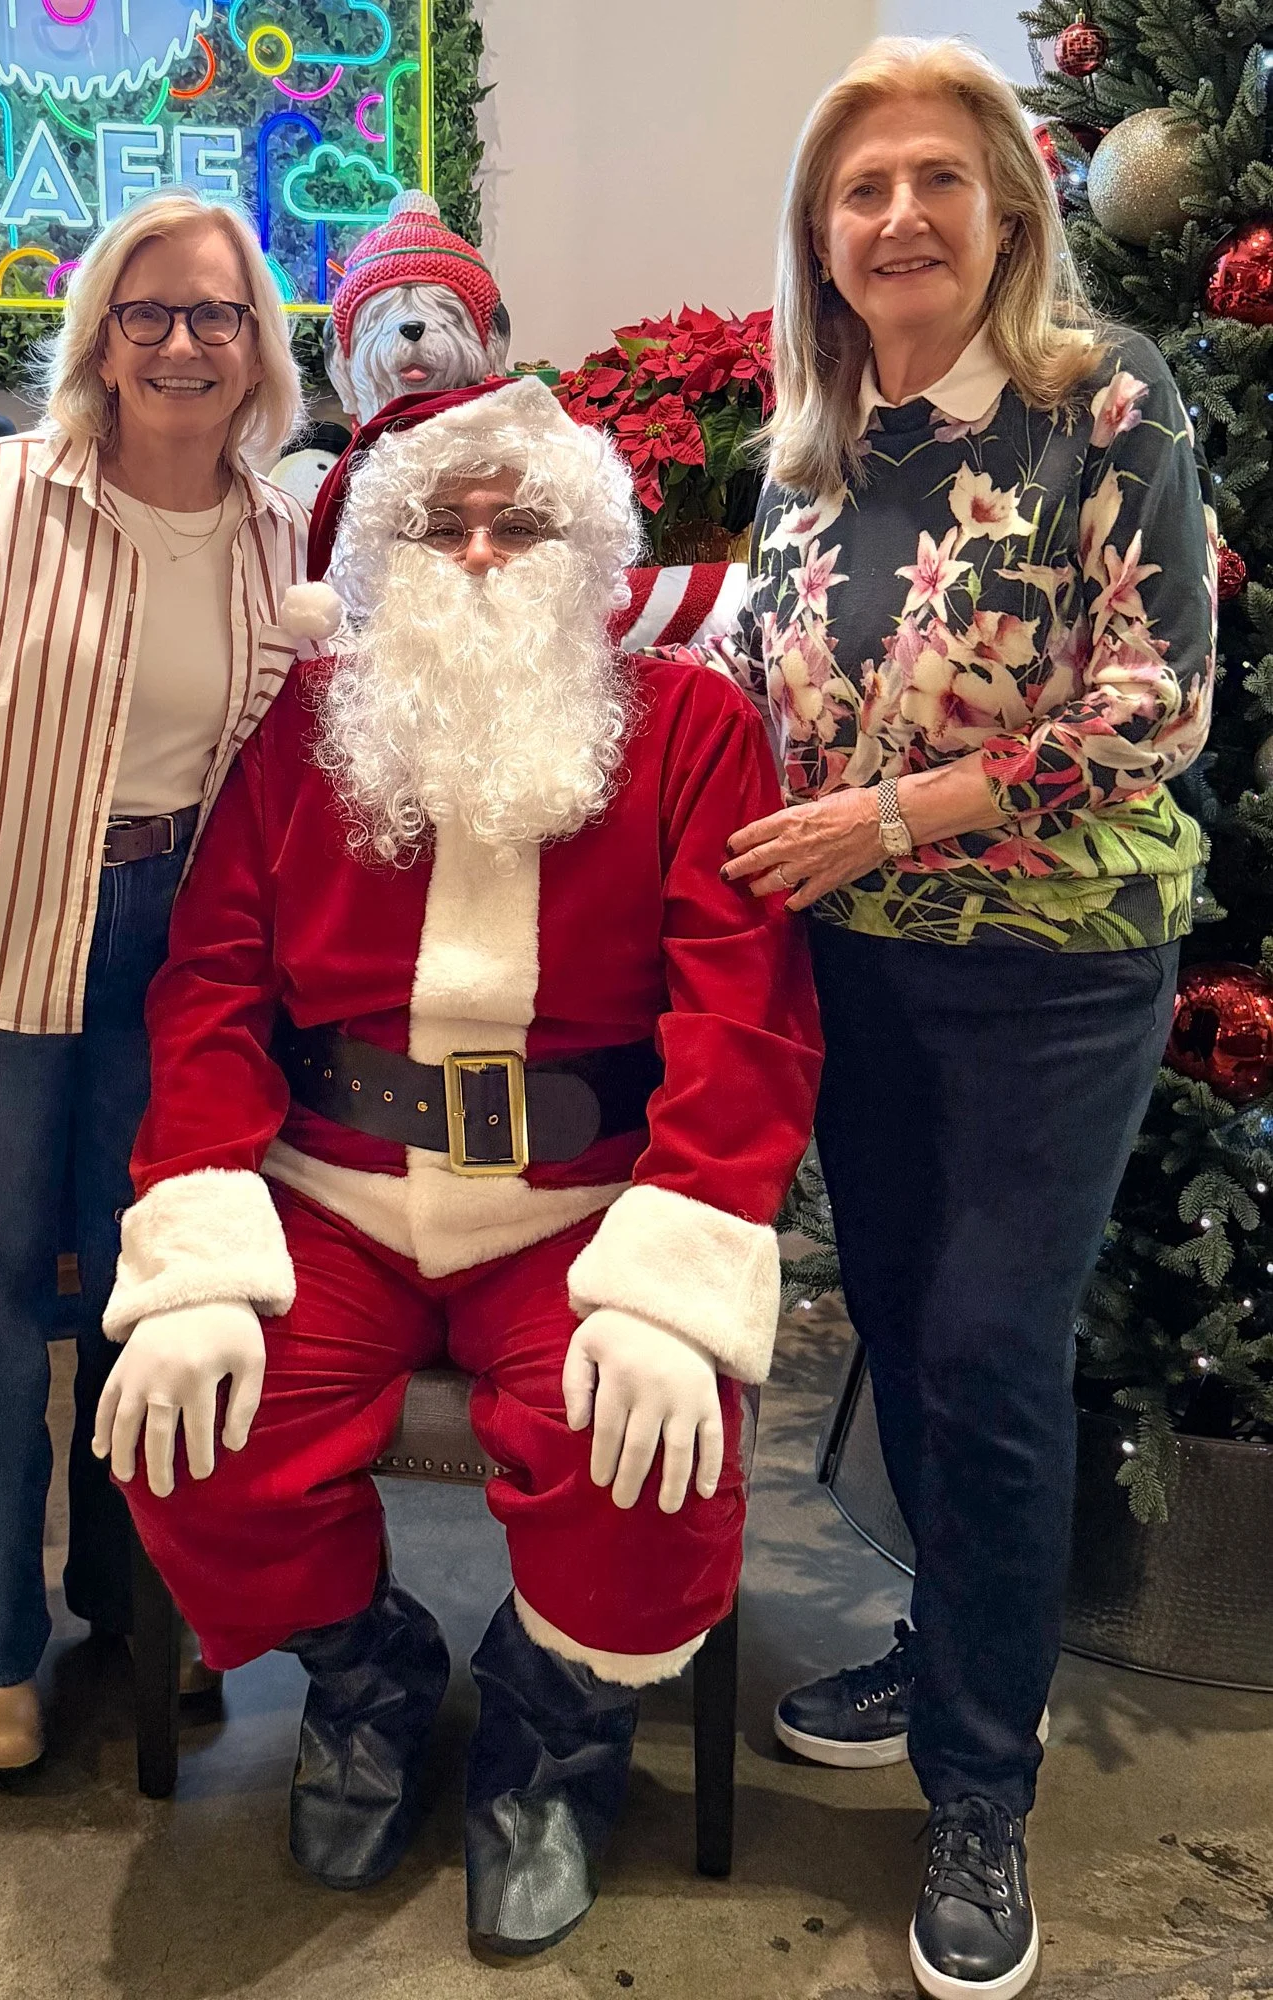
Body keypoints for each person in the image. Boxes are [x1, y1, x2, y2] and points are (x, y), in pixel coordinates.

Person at [92, 376, 823, 1955]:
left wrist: (675, 1268)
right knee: (190, 1430)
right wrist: (206, 1239)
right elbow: (212, 985)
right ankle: (369, 1674)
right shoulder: (309, 730)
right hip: (335, 1191)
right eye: (444, 524)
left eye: (523, 521)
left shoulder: (692, 727)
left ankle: (554, 1726)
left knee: (651, 1453)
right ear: (387, 553)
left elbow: (742, 1015)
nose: (483, 552)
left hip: (587, 1206)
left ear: (592, 549)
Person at [705, 37, 1215, 2000]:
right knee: (909, 1336)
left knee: (994, 1351)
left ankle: (981, 1788)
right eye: (861, 188)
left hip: (1054, 978)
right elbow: (745, 679)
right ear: (822, 242)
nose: (899, 213)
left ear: (1005, 201)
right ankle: (954, 1641)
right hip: (856, 972)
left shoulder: (1104, 402)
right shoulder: (815, 452)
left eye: (937, 174)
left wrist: (892, 813)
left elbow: (1154, 702)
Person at [0, 189, 310, 1777]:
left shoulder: (280, 522)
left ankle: (133, 1604)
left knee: (152, 1294)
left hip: (191, 948)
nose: (179, 342)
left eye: (214, 314)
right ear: (100, 331)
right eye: (146, 311)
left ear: (256, 345)